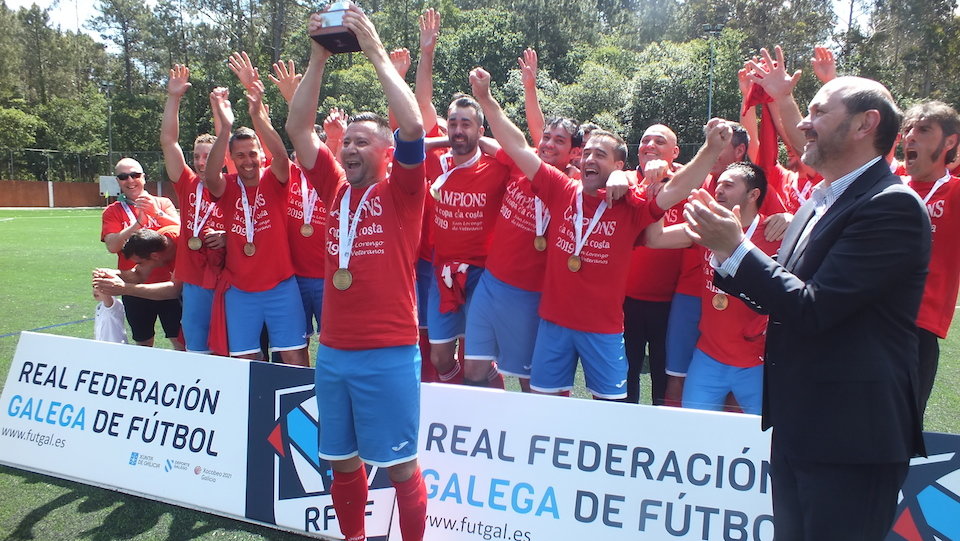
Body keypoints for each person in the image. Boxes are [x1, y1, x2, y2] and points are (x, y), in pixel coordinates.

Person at [686, 66, 929, 539]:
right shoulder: (819, 198)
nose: (802, 122)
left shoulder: (891, 206)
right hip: (802, 427)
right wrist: (725, 253)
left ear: (865, 124)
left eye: (818, 111)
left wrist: (737, 249)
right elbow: (786, 291)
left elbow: (814, 307)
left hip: (852, 439)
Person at [470, 65, 729, 400]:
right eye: (588, 152)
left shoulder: (631, 207)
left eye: (600, 155)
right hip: (553, 325)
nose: (590, 158)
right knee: (543, 406)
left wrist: (709, 151)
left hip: (603, 332)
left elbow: (677, 188)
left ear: (619, 167)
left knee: (610, 410)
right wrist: (486, 99)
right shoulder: (561, 188)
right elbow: (518, 146)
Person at [286, 5, 428, 541]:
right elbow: (298, 126)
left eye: (361, 141)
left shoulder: (403, 192)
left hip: (389, 352)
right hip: (336, 353)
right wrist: (319, 56)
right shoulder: (333, 188)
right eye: (346, 142)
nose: (347, 148)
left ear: (387, 154)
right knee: (342, 463)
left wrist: (372, 50)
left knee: (401, 468)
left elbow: (412, 123)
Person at [646, 162, 780, 415]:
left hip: (756, 363)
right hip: (708, 359)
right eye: (718, 184)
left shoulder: (777, 233)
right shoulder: (705, 230)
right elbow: (655, 238)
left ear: (753, 195)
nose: (718, 190)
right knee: (695, 434)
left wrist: (790, 218)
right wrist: (659, 200)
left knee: (766, 441)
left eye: (728, 185)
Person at [204, 56, 308, 366]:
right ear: (231, 159)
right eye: (240, 156)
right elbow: (210, 177)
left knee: (294, 358)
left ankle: (299, 415)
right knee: (245, 361)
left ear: (260, 156)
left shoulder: (275, 180)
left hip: (281, 286)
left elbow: (278, 152)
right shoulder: (228, 186)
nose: (248, 160)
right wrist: (225, 129)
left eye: (252, 154)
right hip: (241, 291)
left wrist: (256, 113)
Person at [161, 63, 226, 354]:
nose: (201, 162)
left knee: (231, 346)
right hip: (197, 280)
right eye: (197, 156)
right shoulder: (186, 183)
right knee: (197, 346)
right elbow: (168, 141)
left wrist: (226, 236)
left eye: (208, 156)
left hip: (230, 277)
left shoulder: (234, 186)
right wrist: (173, 98)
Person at [900, 100, 960, 415]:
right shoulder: (890, 183)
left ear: (949, 142)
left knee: (903, 429)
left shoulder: (955, 193)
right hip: (868, 321)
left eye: (923, 130)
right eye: (908, 129)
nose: (910, 136)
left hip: (918, 331)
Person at [622, 124, 684, 405]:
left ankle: (659, 440)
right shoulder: (622, 181)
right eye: (645, 140)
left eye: (660, 141)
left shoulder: (688, 185)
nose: (650, 145)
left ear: (675, 152)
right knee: (625, 375)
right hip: (624, 301)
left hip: (671, 305)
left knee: (664, 377)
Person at [100, 157, 183, 349]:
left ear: (144, 177)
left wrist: (155, 214)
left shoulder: (162, 203)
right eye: (123, 177)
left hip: (168, 284)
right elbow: (112, 246)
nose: (130, 180)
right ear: (118, 181)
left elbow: (184, 231)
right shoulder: (113, 211)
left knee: (180, 340)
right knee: (143, 341)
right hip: (134, 283)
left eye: (135, 175)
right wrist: (137, 223)